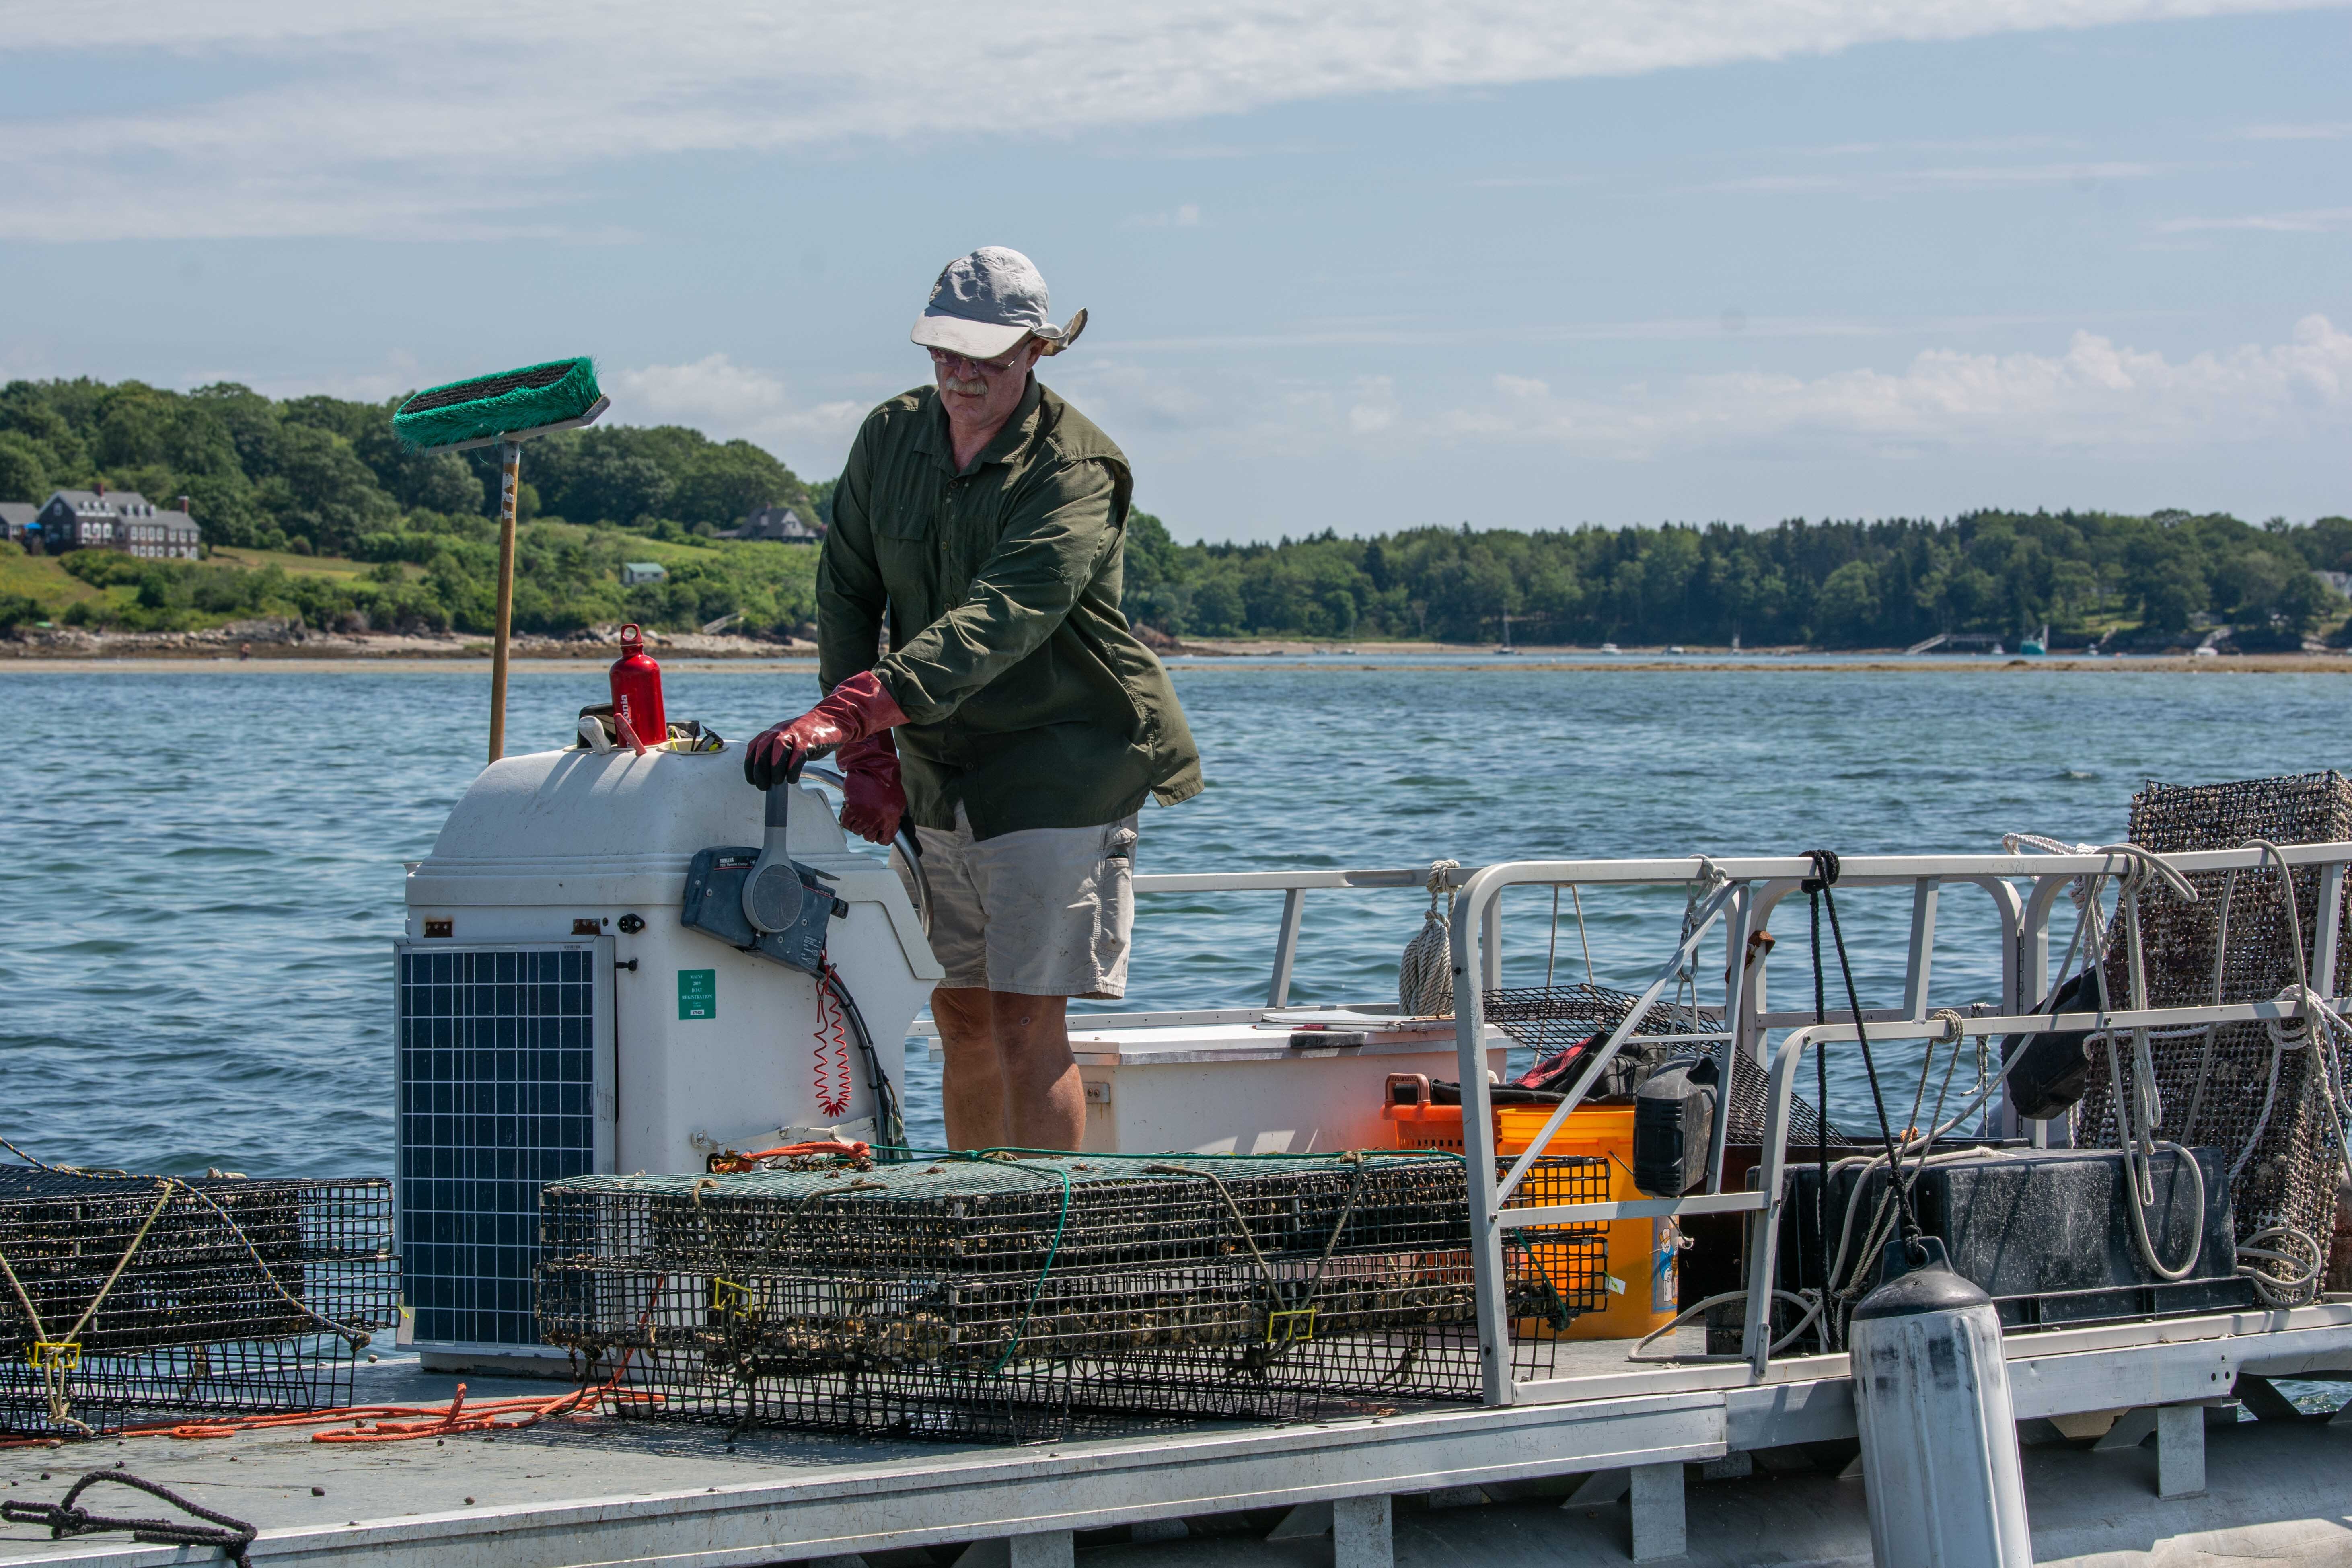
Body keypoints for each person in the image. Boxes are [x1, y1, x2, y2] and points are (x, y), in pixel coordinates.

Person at [745, 246, 1201, 1152]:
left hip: (1061, 762)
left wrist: (852, 712)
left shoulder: (1078, 469)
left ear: (1036, 351)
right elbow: (847, 590)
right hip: (937, 765)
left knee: (1029, 1023)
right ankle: (974, 1233)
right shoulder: (889, 436)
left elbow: (1005, 616)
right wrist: (868, 754)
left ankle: (1032, 1252)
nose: (960, 376)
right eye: (944, 353)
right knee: (959, 1011)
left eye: (985, 358)